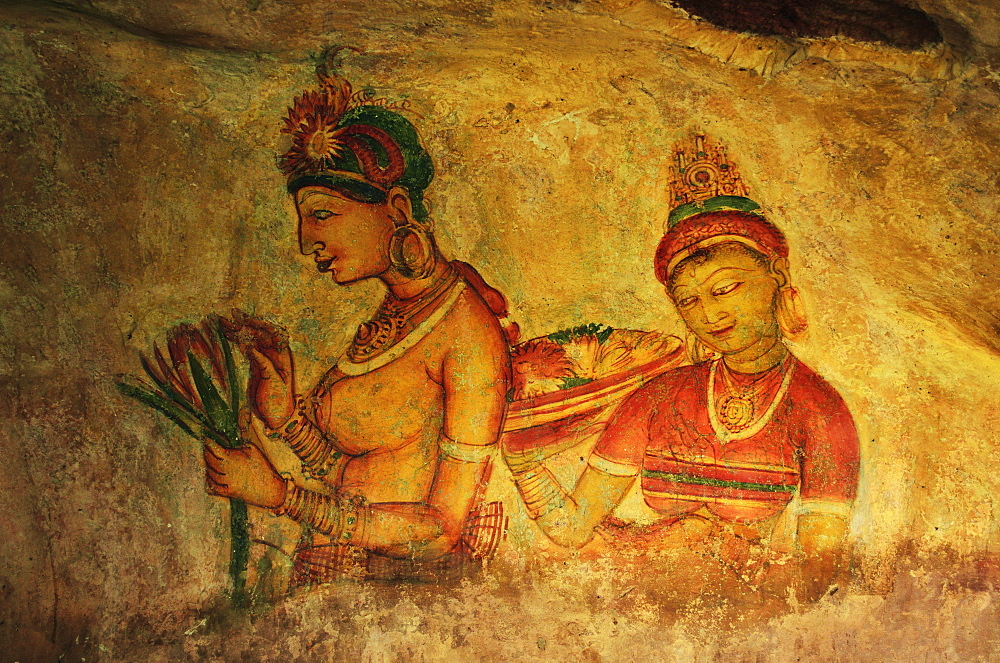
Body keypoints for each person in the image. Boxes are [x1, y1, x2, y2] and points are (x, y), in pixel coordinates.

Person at [504, 135, 859, 603]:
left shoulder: (821, 412)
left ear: (777, 280)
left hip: (750, 612)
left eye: (727, 287)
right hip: (639, 602)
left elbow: (817, 575)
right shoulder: (658, 397)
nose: (711, 315)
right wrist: (524, 463)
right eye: (689, 300)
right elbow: (572, 528)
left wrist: (725, 559)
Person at [202, 74, 513, 587]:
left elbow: (439, 531)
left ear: (396, 210)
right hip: (338, 579)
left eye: (322, 215)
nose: (308, 242)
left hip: (404, 598)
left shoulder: (468, 336)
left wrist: (281, 496)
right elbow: (355, 474)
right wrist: (285, 420)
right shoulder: (395, 315)